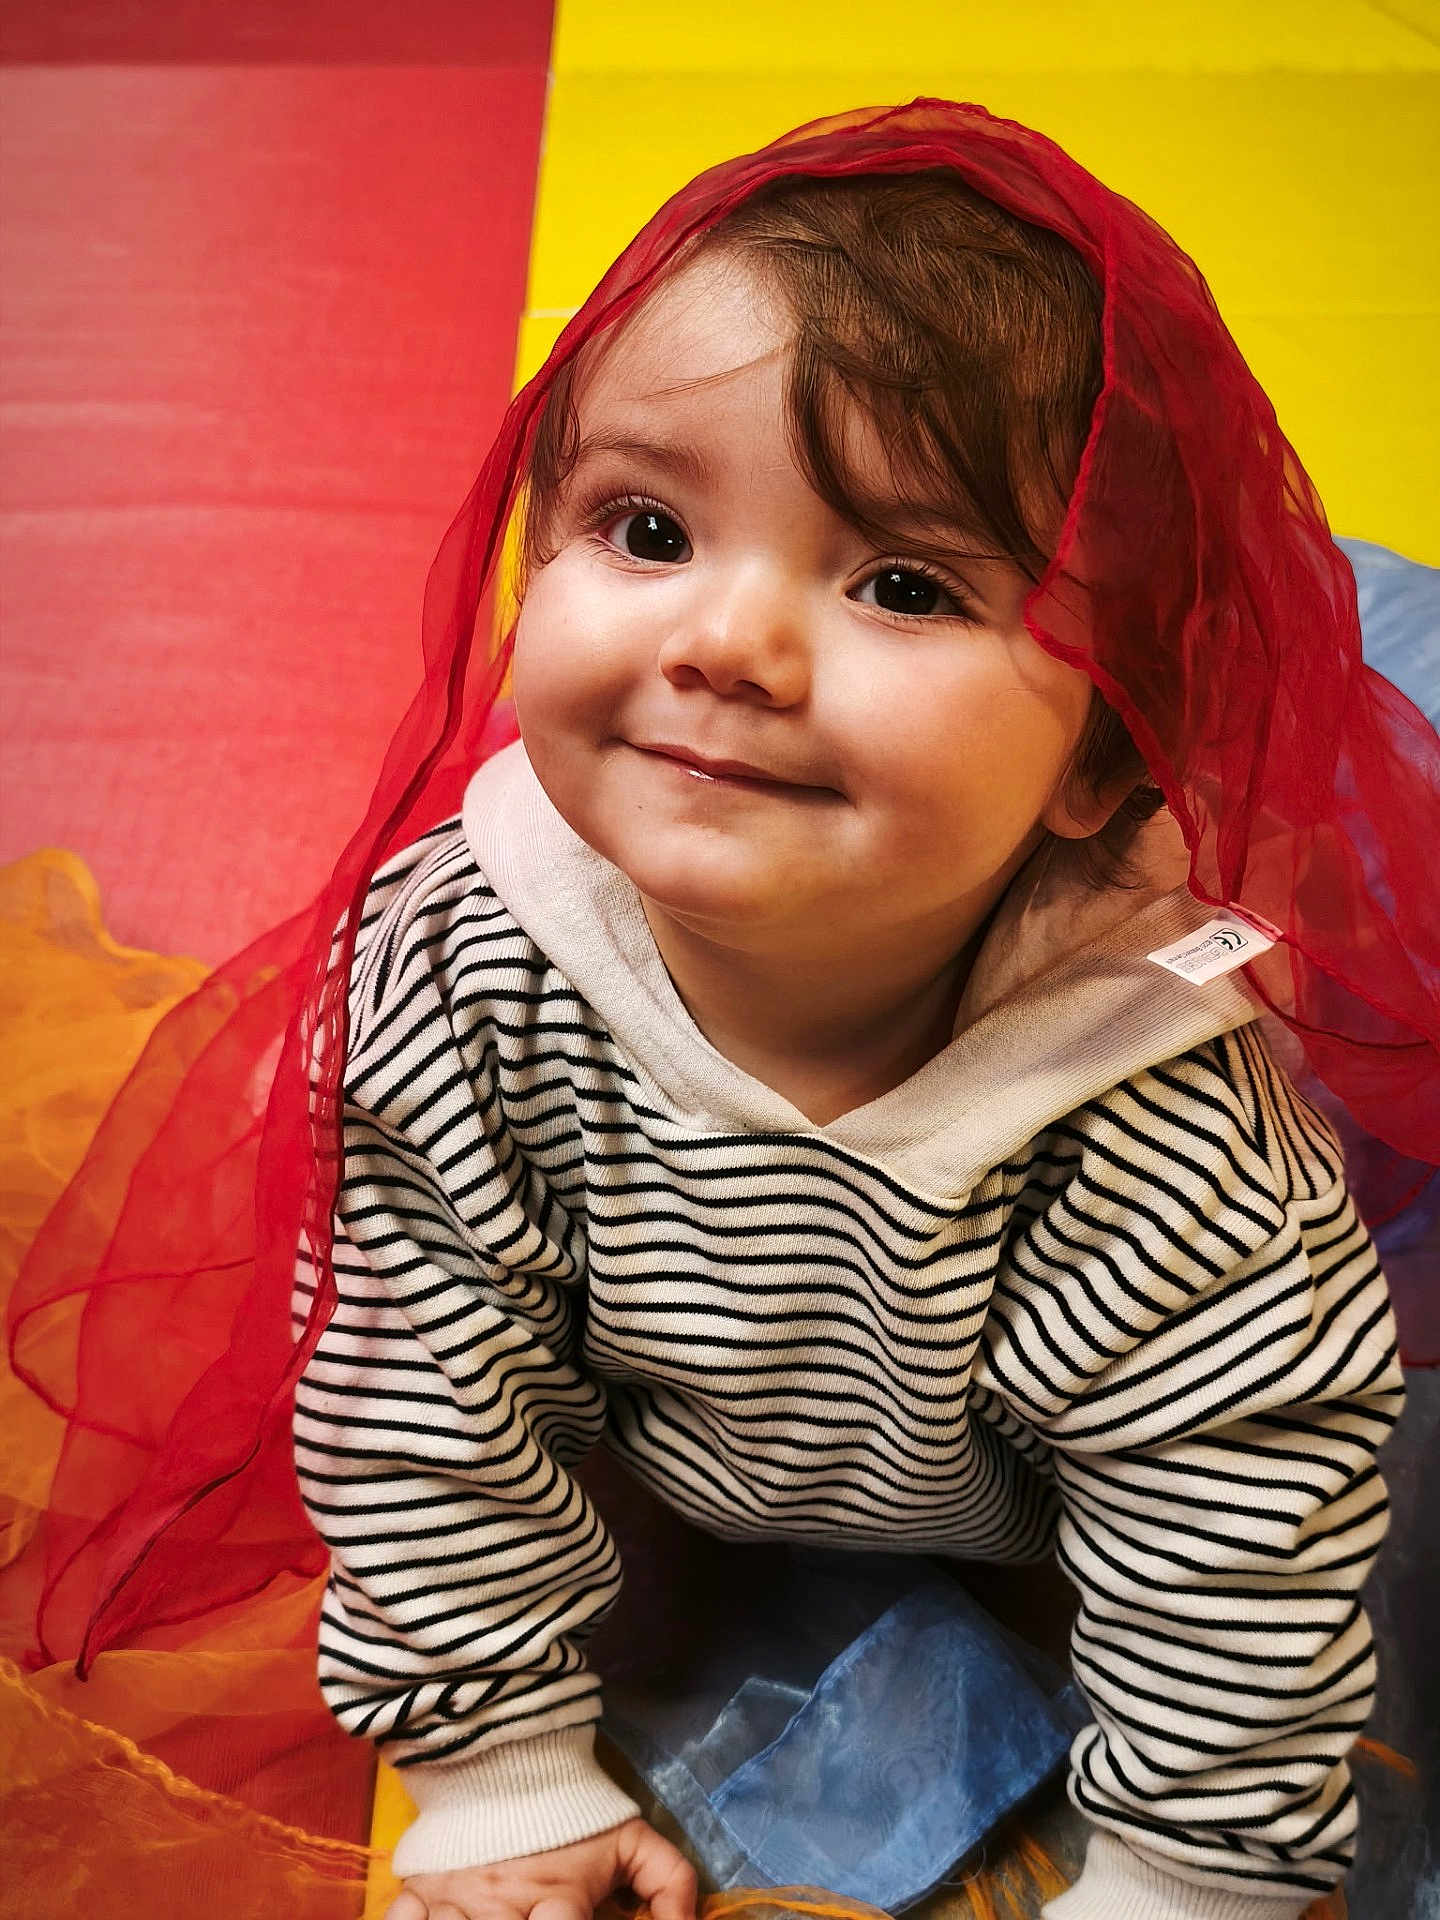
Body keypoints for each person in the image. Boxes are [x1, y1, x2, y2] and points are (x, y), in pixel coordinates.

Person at [12, 99, 1436, 1920]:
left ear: (1107, 761)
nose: (723, 642)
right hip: (684, 1456)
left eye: (903, 582)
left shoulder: (1172, 1128)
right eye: (647, 526)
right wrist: (499, 1771)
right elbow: (408, 1381)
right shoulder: (460, 969)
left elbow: (1238, 1537)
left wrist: (1182, 1885)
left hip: (1017, 1507)